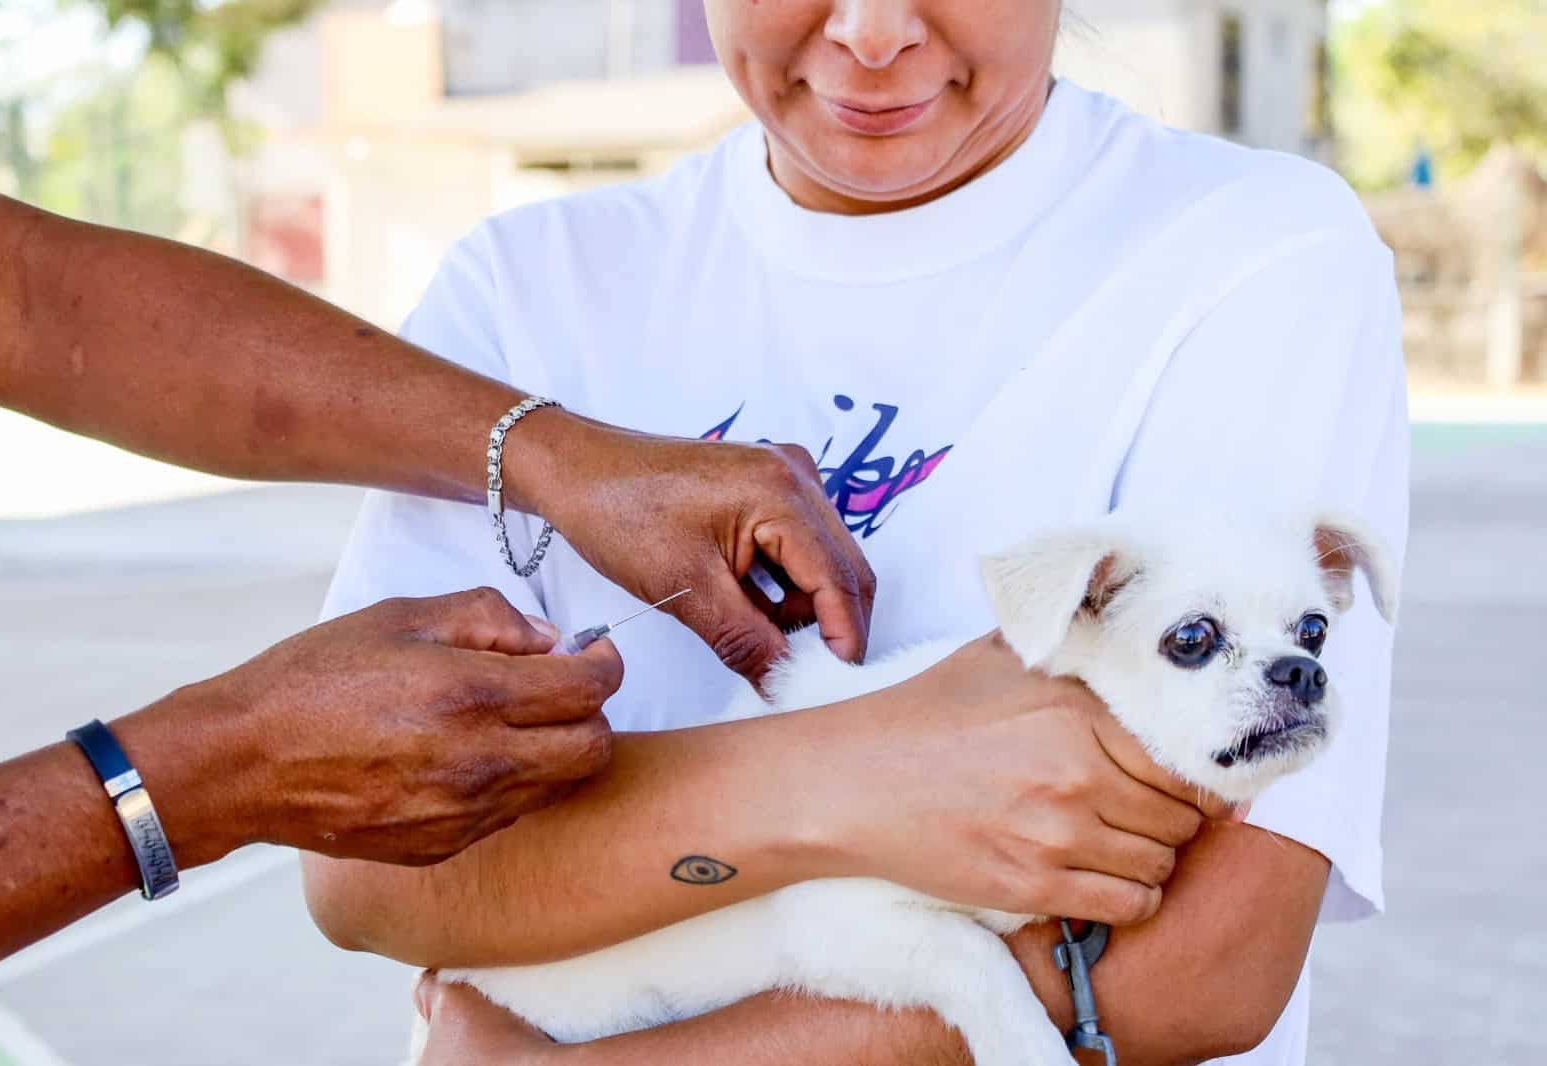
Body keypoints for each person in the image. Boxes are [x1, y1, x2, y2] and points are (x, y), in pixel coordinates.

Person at [303, 1, 1410, 1064]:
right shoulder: (525, 289)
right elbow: (370, 872)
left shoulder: (1247, 253)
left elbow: (1203, 966)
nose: (872, 32)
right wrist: (856, 779)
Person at [0, 171, 880, 989]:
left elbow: (36, 299)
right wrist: (215, 766)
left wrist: (560, 458)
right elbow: (364, 889)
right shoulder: (526, 274)